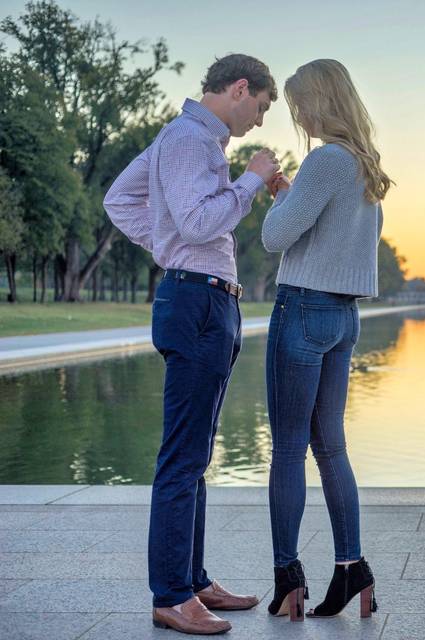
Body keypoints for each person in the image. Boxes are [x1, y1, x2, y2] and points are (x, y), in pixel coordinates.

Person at [103, 53, 284, 635]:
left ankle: (195, 581)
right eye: (258, 107)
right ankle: (171, 595)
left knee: (196, 455)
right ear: (239, 88)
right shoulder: (188, 141)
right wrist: (252, 178)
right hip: (198, 303)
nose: (257, 123)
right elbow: (203, 223)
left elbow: (119, 200)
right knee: (182, 458)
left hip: (205, 300)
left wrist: (165, 240)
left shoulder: (182, 139)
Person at [260, 59, 389, 622]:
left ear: (321, 101)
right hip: (343, 318)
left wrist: (280, 196)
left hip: (303, 309)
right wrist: (291, 194)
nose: (297, 116)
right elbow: (327, 234)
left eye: (299, 104)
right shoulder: (363, 166)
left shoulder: (324, 159)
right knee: (331, 446)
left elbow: (274, 237)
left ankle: (288, 576)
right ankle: (351, 568)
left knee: (288, 448)